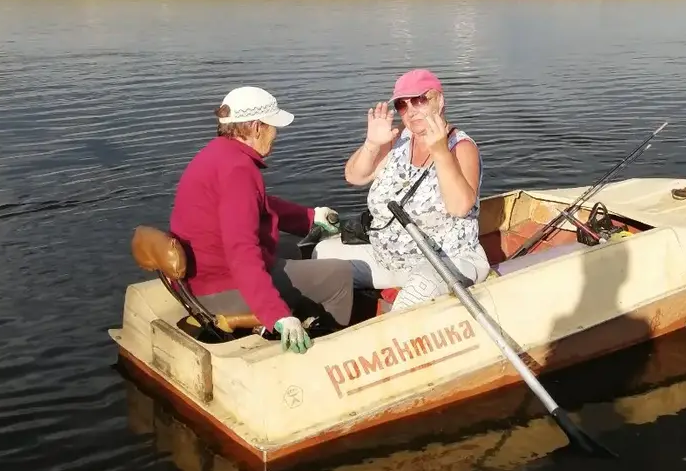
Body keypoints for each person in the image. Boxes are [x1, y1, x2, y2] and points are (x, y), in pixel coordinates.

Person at [168, 85, 354, 354]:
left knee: (296, 250)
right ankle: (329, 354)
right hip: (220, 287)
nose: (275, 135)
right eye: (272, 126)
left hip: (201, 276)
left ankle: (304, 318)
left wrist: (310, 218)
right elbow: (241, 251)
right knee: (340, 274)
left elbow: (256, 205)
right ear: (256, 127)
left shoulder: (217, 154)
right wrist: (276, 315)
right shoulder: (239, 171)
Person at [313, 68, 489, 311]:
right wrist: (372, 144)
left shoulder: (461, 147)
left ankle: (392, 343)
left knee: (417, 290)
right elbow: (355, 176)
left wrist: (439, 151)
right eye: (402, 105)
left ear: (439, 100)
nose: (411, 109)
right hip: (389, 259)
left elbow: (459, 207)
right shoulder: (400, 139)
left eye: (419, 100)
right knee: (322, 255)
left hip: (445, 258)